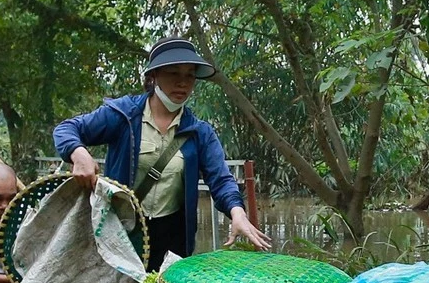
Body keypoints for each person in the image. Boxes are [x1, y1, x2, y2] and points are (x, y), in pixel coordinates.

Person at [53, 37, 271, 269]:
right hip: (120, 231)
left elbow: (221, 180)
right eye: (173, 73)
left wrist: (237, 213)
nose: (182, 83)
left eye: (189, 75)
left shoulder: (199, 132)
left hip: (171, 238)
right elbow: (67, 129)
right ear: (153, 76)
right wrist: (79, 153)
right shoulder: (124, 115)